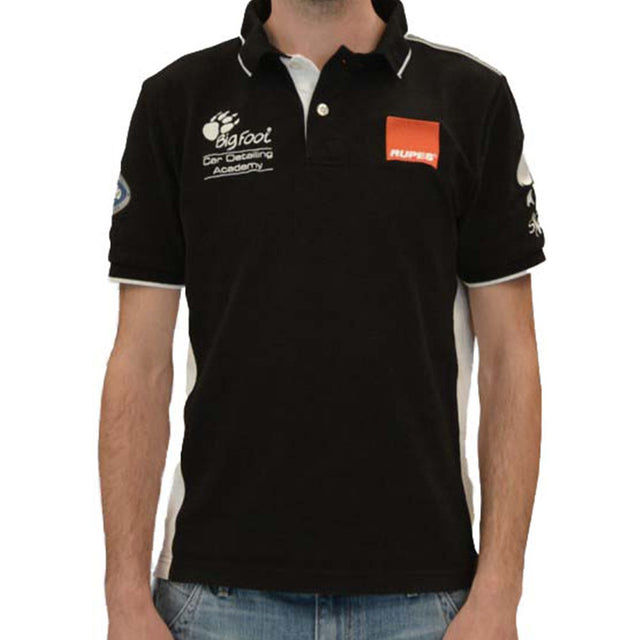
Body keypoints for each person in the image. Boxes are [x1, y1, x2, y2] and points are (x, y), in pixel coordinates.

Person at [99, 0, 545, 638]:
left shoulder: (470, 99)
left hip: (426, 602)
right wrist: (123, 597)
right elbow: (140, 362)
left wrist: (501, 592)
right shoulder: (179, 102)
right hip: (216, 598)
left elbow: (511, 359)